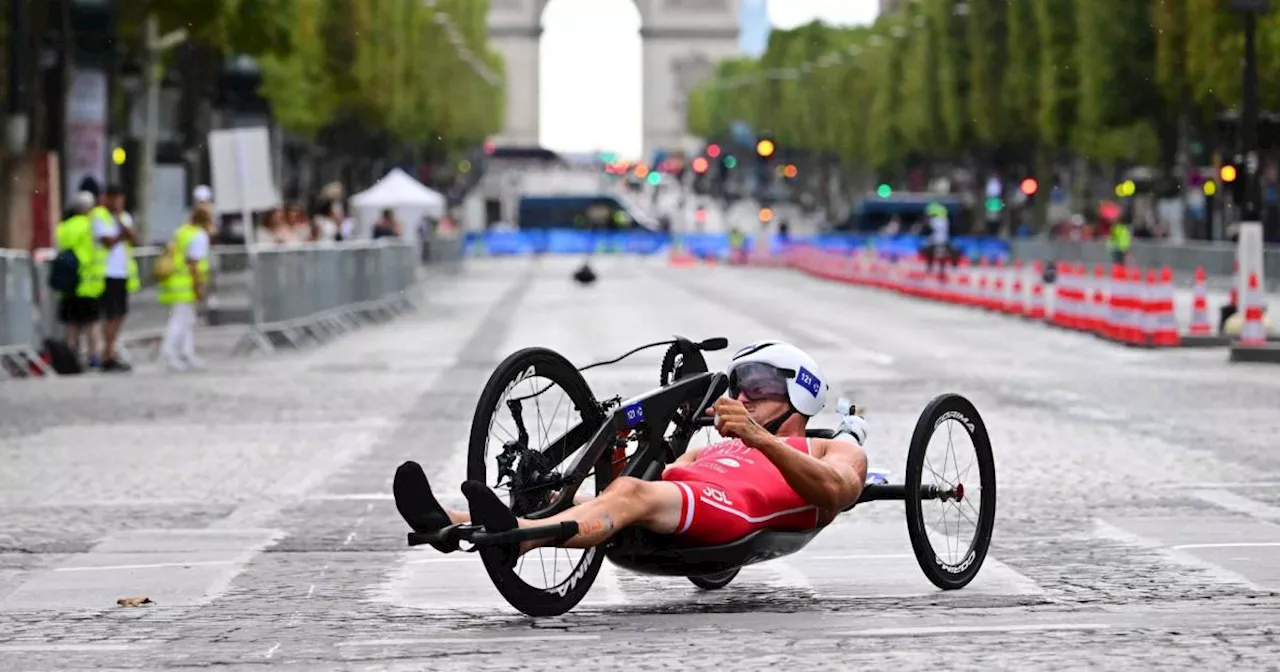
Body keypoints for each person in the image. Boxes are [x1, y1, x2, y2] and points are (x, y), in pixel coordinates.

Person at [393, 341, 870, 565]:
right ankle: (449, 520)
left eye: (761, 386)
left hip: (736, 513)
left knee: (633, 495)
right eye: (740, 385)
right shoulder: (722, 443)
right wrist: (617, 454)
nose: (744, 397)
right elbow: (667, 473)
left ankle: (518, 539)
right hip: (684, 495)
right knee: (600, 493)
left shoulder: (827, 447)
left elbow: (837, 492)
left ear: (800, 395)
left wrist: (760, 438)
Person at [158, 204, 213, 371]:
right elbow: (194, 263)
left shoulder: (182, 231)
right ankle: (169, 354)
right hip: (186, 283)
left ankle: (186, 353)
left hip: (175, 281)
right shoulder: (199, 235)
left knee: (187, 320)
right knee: (179, 321)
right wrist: (199, 287)